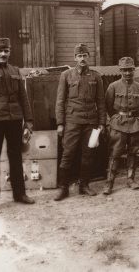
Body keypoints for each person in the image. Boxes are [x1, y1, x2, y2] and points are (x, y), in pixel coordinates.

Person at [0, 38, 35, 211]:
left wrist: (28, 122)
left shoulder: (15, 71)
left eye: (6, 50)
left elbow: (23, 97)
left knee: (16, 156)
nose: (3, 54)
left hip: (14, 119)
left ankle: (20, 194)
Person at [54, 43, 106, 201]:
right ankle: (64, 188)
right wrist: (60, 123)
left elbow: (101, 101)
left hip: (91, 122)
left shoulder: (96, 76)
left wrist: (102, 123)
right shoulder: (66, 75)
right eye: (79, 56)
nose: (82, 59)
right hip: (72, 121)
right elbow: (60, 101)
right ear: (74, 58)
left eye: (85, 56)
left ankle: (84, 185)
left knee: (88, 154)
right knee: (68, 153)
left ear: (88, 57)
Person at [103, 57, 139, 195]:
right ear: (120, 70)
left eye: (130, 70)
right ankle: (109, 183)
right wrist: (115, 119)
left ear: (134, 70)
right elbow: (108, 106)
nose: (127, 73)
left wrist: (137, 119)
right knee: (115, 154)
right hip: (118, 124)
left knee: (133, 152)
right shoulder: (113, 86)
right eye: (125, 70)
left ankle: (130, 179)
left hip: (135, 124)